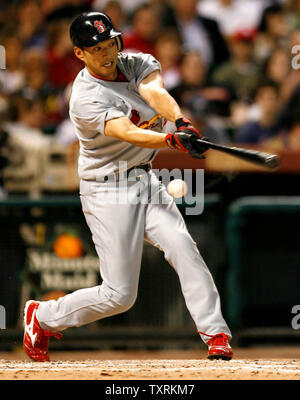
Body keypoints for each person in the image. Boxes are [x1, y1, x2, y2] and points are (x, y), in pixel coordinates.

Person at [23, 11, 233, 362]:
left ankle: (216, 335)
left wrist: (182, 122)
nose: (107, 54)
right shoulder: (84, 97)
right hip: (106, 190)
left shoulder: (136, 62)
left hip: (143, 179)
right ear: (80, 54)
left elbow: (155, 92)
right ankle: (42, 316)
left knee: (183, 246)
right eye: (97, 48)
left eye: (110, 43)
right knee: (120, 295)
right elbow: (127, 131)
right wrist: (171, 140)